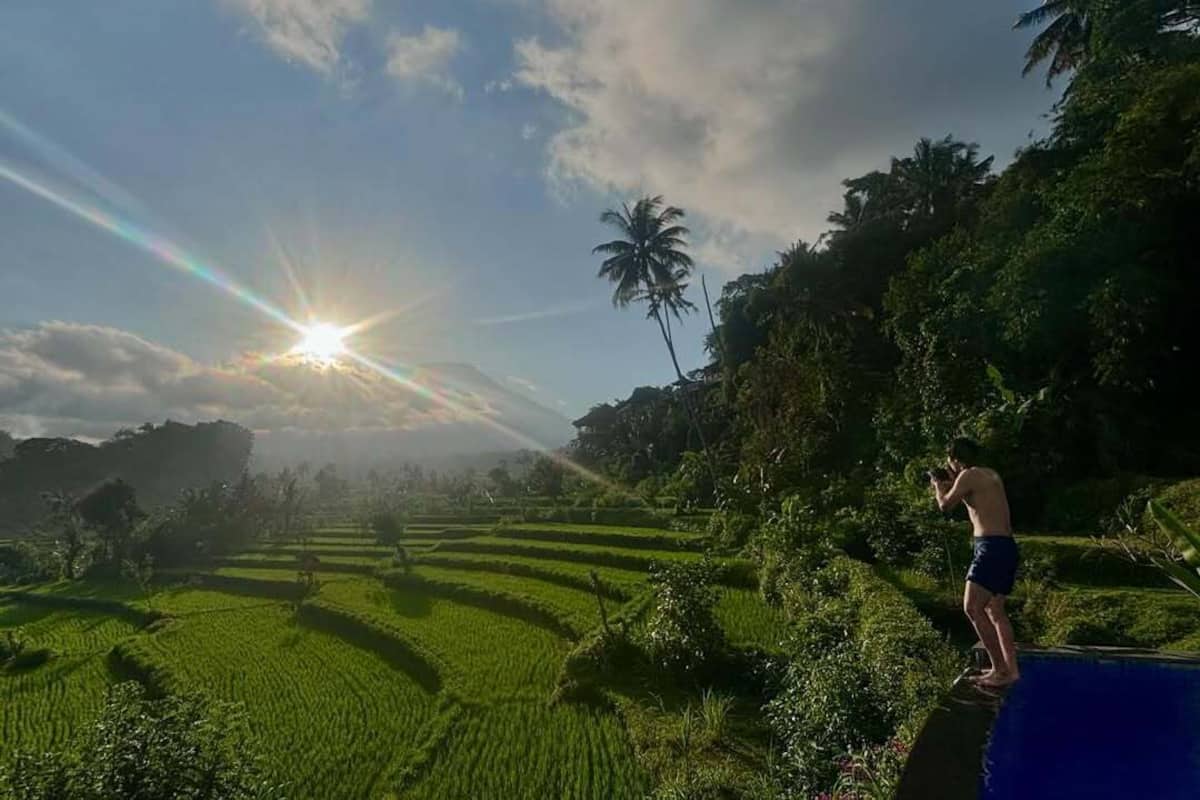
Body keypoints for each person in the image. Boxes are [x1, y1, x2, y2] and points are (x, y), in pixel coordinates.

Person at [931, 437, 1020, 688]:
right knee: (995, 610)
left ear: (955, 460)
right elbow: (978, 499)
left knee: (971, 608)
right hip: (1007, 546)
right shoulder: (990, 474)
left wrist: (938, 485)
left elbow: (945, 505)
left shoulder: (967, 476)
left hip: (989, 548)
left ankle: (999, 670)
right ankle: (1011, 670)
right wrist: (953, 482)